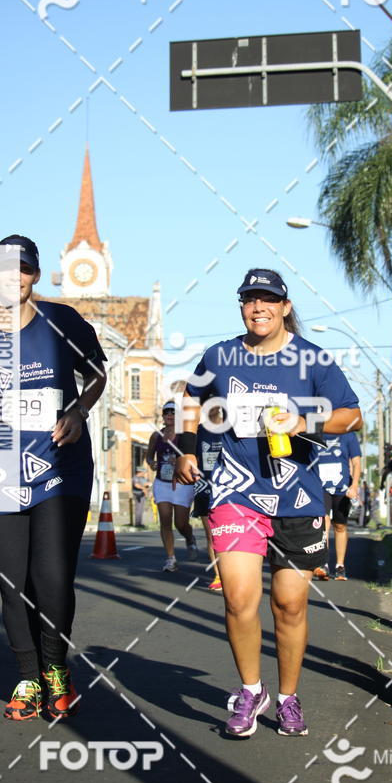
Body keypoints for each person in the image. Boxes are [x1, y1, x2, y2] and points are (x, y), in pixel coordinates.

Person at [175, 268, 361, 738]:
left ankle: (289, 697)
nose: (258, 308)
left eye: (268, 300)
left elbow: (351, 414)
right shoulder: (219, 356)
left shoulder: (311, 358)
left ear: (285, 307)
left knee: (289, 605)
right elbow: (188, 404)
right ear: (241, 307)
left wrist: (304, 420)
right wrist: (188, 450)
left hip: (297, 493)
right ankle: (250, 689)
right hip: (235, 490)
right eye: (249, 300)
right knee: (239, 598)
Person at [0, 236, 107, 720]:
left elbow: (98, 374)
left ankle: (56, 673)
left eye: (22, 269)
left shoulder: (62, 322)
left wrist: (80, 411)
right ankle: (26, 677)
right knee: (12, 580)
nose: (12, 276)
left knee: (52, 575)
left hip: (61, 466)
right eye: (3, 268)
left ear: (34, 275)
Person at [147, 400, 197, 572]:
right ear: (163, 416)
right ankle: (171, 558)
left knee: (181, 523)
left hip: (182, 483)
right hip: (162, 483)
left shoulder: (185, 436)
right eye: (166, 412)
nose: (169, 415)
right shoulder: (156, 436)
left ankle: (190, 538)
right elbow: (148, 456)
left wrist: (180, 461)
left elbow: (193, 457)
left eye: (173, 412)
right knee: (165, 520)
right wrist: (151, 463)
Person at [313, 432, 361, 581]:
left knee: (340, 526)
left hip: (342, 487)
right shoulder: (315, 433)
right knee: (323, 523)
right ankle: (323, 564)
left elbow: (356, 462)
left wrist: (354, 486)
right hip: (320, 487)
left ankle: (340, 566)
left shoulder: (348, 435)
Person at [193, 406, 223, 591]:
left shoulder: (231, 428)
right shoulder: (199, 431)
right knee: (211, 533)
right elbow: (194, 458)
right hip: (205, 487)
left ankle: (234, 570)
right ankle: (218, 574)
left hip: (228, 486)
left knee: (229, 531)